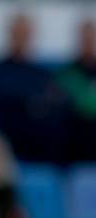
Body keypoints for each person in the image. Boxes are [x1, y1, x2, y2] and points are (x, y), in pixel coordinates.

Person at [0, 13, 69, 165]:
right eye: (18, 34)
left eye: (25, 34)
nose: (22, 39)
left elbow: (53, 103)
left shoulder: (41, 73)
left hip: (40, 140)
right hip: (10, 138)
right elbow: (0, 106)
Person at [57, 18, 96, 162]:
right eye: (84, 38)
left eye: (91, 38)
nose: (88, 42)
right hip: (75, 143)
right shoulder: (66, 73)